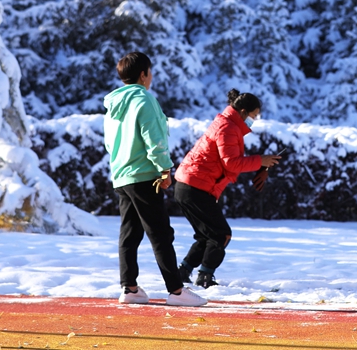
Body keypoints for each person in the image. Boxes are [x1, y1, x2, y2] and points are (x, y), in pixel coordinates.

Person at [103, 51, 207, 307]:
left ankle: (129, 288)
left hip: (122, 176)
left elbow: (109, 143)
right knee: (161, 233)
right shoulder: (144, 99)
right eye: (150, 72)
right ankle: (176, 291)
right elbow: (154, 138)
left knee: (129, 234)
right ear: (143, 74)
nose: (151, 77)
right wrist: (164, 169)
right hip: (143, 175)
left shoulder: (113, 105)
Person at [174, 89, 282, 289]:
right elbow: (231, 163)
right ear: (243, 111)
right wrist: (261, 161)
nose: (254, 120)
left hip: (188, 185)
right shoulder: (228, 127)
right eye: (253, 115)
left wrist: (262, 165)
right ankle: (205, 276)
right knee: (221, 234)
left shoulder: (226, 124)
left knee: (207, 235)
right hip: (195, 187)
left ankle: (183, 272)